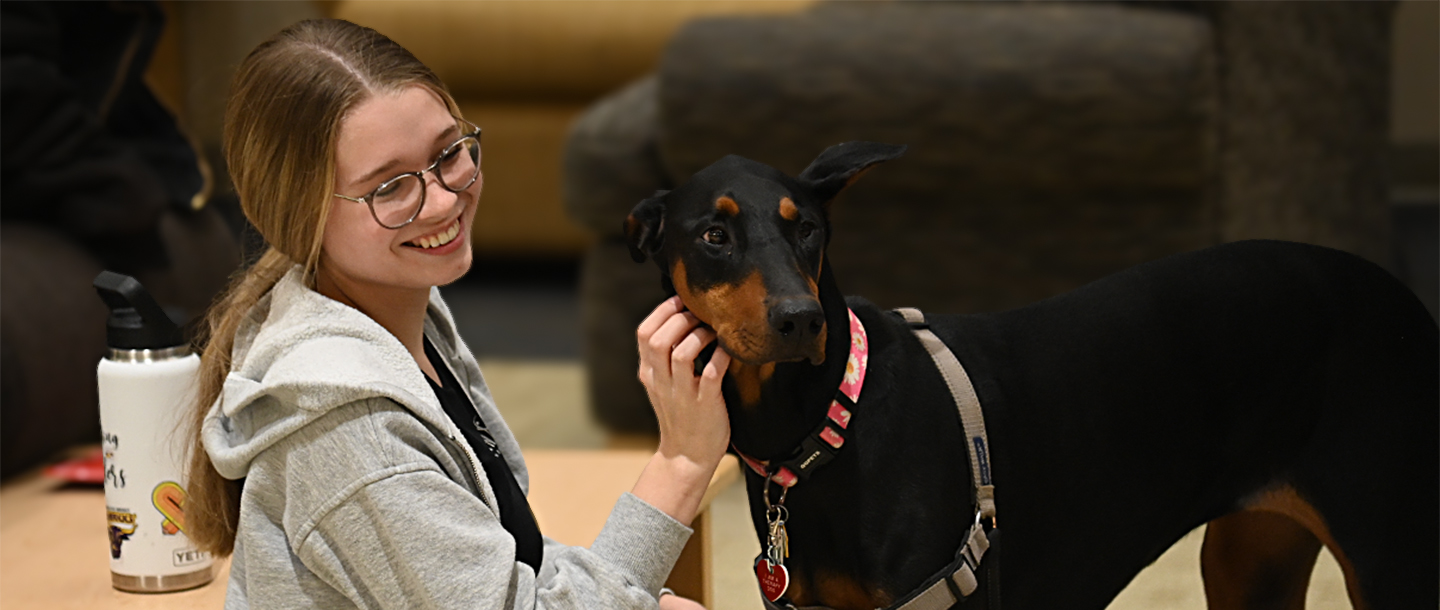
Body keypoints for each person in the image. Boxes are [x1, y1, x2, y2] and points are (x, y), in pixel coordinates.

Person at [186, 19, 732, 609]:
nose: (444, 199)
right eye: (390, 187)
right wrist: (681, 462)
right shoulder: (352, 430)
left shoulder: (406, 318)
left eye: (448, 152)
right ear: (299, 215)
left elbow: (512, 567)